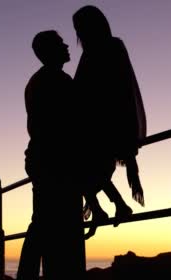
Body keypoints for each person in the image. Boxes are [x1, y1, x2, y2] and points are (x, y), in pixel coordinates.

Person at [16, 30, 86, 280]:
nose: (68, 45)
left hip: (43, 159)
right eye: (60, 43)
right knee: (53, 225)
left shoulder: (39, 81)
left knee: (44, 224)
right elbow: (71, 123)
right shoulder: (56, 81)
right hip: (54, 160)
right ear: (49, 51)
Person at [73, 5, 147, 239]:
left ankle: (106, 207)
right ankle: (109, 207)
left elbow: (121, 90)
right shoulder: (98, 50)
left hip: (102, 126)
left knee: (84, 170)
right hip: (96, 126)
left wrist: (127, 140)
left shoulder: (109, 47)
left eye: (80, 28)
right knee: (88, 172)